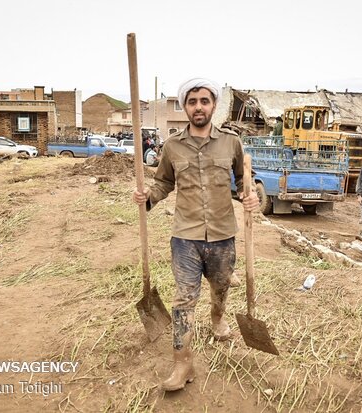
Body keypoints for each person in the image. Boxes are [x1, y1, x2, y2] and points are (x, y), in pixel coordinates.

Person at [132, 78, 258, 392]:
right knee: (183, 300)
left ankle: (217, 318)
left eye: (204, 101)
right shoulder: (173, 145)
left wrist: (251, 195)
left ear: (213, 105)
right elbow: (163, 182)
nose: (198, 107)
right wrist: (148, 195)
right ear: (185, 107)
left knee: (221, 288)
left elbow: (245, 180)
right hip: (185, 237)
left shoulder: (231, 143)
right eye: (192, 102)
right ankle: (182, 362)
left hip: (221, 236)